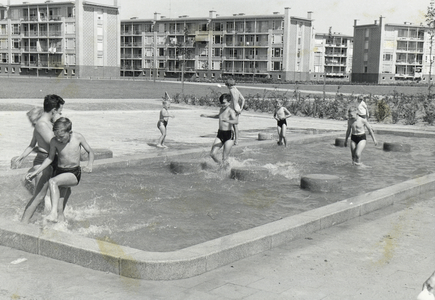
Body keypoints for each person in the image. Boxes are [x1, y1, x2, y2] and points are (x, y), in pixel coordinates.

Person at [26, 117, 94, 223]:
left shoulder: (78, 137)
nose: (59, 139)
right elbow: (50, 158)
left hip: (73, 173)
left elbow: (90, 152)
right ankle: (61, 228)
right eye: (56, 136)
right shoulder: (54, 141)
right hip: (60, 172)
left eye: (61, 136)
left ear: (69, 132)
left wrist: (90, 164)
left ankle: (52, 213)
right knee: (60, 208)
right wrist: (36, 171)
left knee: (52, 182)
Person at [21, 95, 66, 223]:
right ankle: (23, 224)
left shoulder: (45, 123)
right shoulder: (42, 124)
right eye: (59, 111)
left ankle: (49, 219)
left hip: (50, 161)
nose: (60, 113)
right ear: (53, 110)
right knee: (39, 195)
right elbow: (55, 142)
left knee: (54, 193)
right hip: (44, 161)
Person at [201, 93, 238, 167]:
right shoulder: (221, 109)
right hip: (220, 134)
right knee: (212, 154)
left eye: (224, 103)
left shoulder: (231, 111)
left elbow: (235, 121)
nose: (222, 104)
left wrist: (228, 121)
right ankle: (222, 165)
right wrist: (207, 116)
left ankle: (226, 170)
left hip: (229, 135)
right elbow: (219, 116)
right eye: (221, 103)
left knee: (224, 158)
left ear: (229, 102)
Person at [225, 78, 245, 145]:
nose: (227, 87)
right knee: (235, 125)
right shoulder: (237, 90)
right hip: (238, 108)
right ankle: (236, 140)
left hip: (233, 108)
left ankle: (232, 138)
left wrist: (232, 109)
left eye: (227, 85)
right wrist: (241, 108)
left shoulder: (231, 90)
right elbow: (243, 100)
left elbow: (233, 100)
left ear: (229, 85)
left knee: (230, 124)